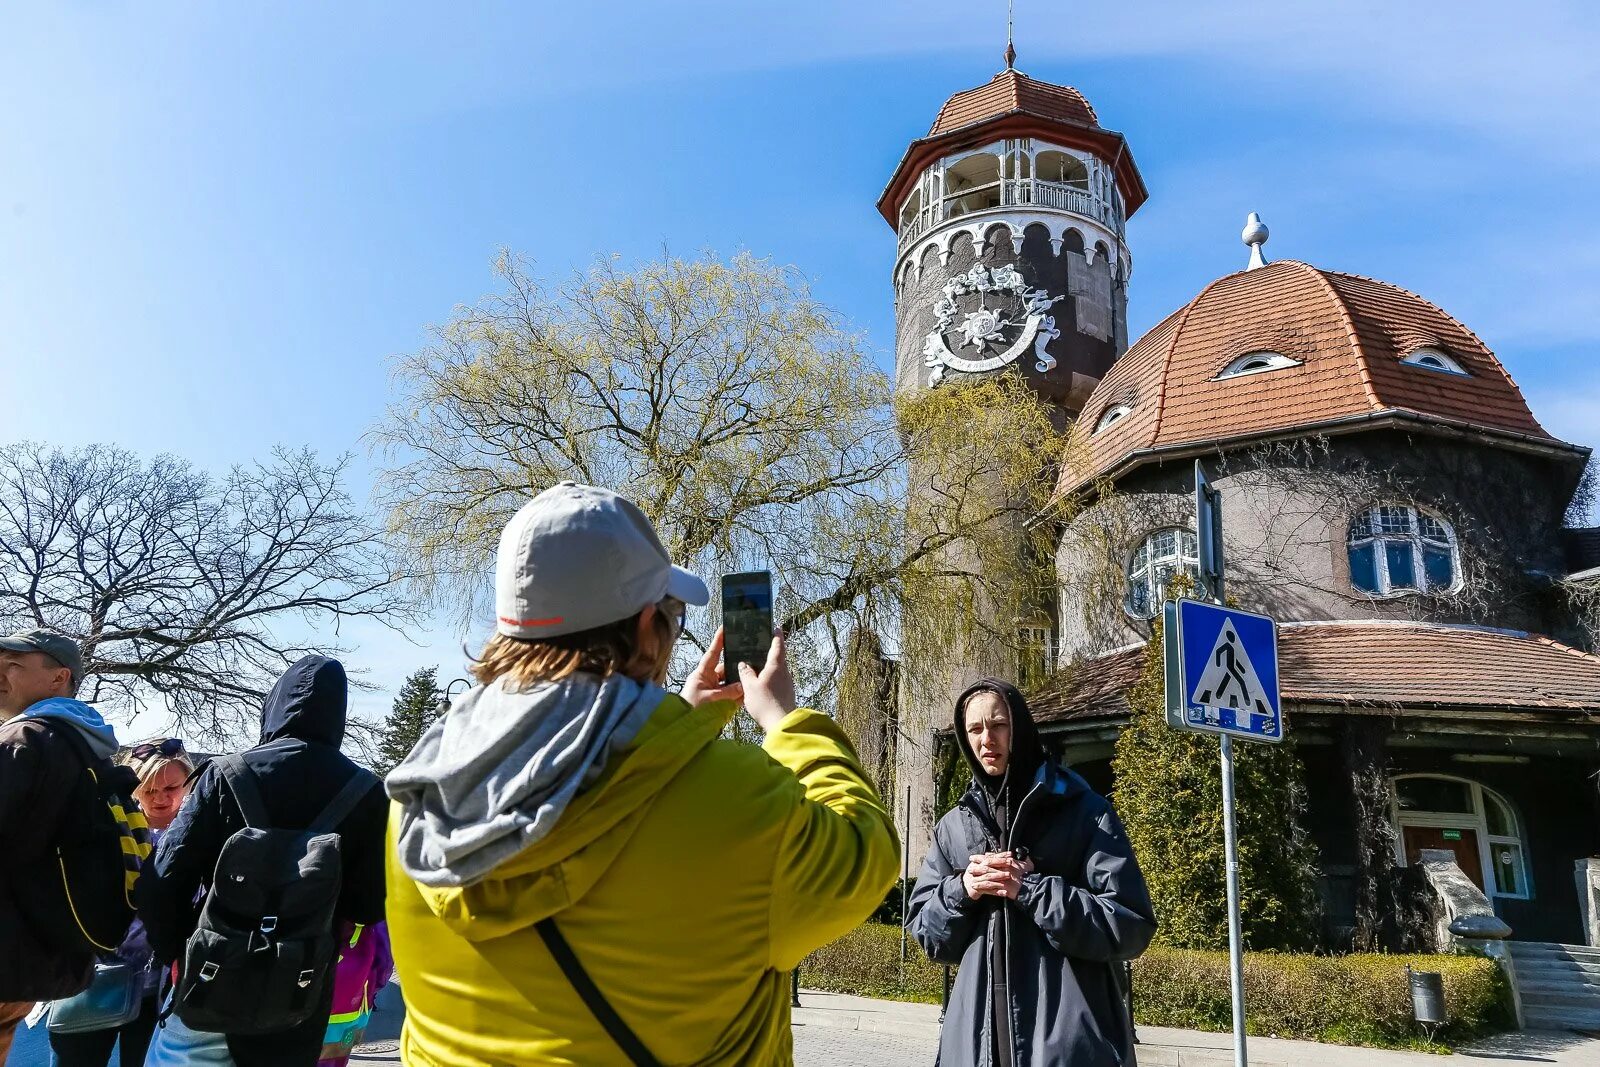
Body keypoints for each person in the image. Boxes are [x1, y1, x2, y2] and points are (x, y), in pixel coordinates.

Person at [385, 481, 900, 1065]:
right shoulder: (740, 801)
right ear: (647, 626)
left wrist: (675, 723)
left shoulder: (418, 797)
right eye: (674, 619)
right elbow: (866, 854)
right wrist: (787, 722)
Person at [136, 656, 389, 1067]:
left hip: (209, 974)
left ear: (274, 705)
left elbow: (161, 881)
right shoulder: (366, 791)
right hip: (298, 990)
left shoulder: (225, 774)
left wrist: (179, 952)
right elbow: (370, 903)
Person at [908, 679, 1156, 1067]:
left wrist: (1031, 890)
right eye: (975, 729)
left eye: (999, 724)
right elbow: (926, 933)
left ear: (1020, 728)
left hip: (1068, 1050)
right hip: (975, 1047)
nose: (987, 738)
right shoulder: (954, 827)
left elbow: (1130, 923)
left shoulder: (1084, 812)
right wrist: (963, 889)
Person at [0, 629, 116, 1065]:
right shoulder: (88, 747)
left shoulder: (25, 740)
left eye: (13, 664)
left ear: (58, 678)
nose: (0, 674)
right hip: (38, 957)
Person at [46, 738, 195, 1067]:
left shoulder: (197, 832)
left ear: (188, 782)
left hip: (159, 988)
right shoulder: (109, 824)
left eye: (171, 787)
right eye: (149, 789)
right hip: (95, 975)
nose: (159, 798)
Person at [317, 920, 394, 1067]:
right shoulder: (367, 900)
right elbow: (384, 955)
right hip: (346, 1000)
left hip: (289, 992)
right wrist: (372, 987)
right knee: (332, 1058)